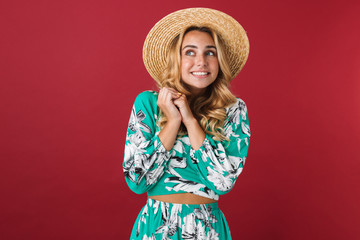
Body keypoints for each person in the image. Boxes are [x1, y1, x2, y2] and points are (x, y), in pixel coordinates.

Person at [123, 8, 251, 240]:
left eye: (210, 53)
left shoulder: (233, 109)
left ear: (219, 60)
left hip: (207, 228)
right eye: (189, 52)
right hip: (155, 227)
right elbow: (137, 181)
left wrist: (190, 120)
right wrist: (172, 121)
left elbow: (222, 181)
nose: (200, 62)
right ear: (176, 58)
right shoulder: (148, 104)